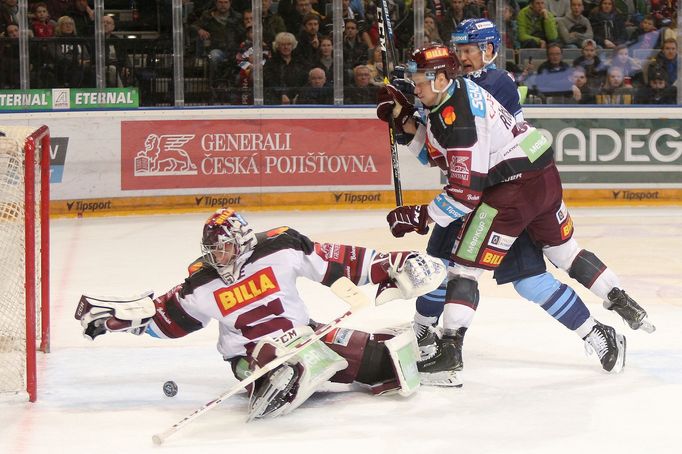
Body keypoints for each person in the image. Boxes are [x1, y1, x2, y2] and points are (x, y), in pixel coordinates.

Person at [376, 41, 654, 386]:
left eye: (420, 79)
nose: (415, 86)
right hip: (537, 174)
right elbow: (443, 147)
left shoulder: (464, 113)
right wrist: (409, 123)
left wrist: (420, 215)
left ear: (442, 78)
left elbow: (464, 191)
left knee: (461, 268)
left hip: (505, 190)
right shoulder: (458, 89)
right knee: (563, 252)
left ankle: (448, 349)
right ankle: (618, 297)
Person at [74, 208, 446, 420]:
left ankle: (315, 364)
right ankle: (274, 380)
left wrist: (394, 263)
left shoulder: (282, 247)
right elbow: (164, 320)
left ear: (240, 242)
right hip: (249, 356)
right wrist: (114, 320)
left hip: (308, 334)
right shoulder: (200, 285)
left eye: (221, 248)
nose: (214, 257)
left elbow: (339, 262)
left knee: (386, 361)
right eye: (211, 250)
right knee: (273, 361)